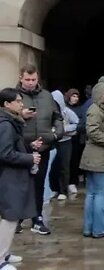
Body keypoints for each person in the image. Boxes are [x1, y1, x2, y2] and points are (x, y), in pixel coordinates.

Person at [16, 64, 64, 235]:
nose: (30, 83)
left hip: (43, 146)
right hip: (21, 148)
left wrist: (57, 134)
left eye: (33, 79)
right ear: (21, 78)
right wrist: (21, 115)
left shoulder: (47, 96)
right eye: (27, 79)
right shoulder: (14, 96)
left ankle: (37, 218)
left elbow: (57, 117)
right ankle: (18, 218)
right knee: (21, 184)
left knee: (38, 184)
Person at [0, 88, 42, 270]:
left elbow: (12, 145)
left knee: (12, 216)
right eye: (17, 101)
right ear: (7, 104)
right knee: (10, 217)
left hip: (13, 176)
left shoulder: (12, 121)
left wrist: (28, 146)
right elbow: (5, 153)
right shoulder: (6, 124)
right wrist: (29, 158)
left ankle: (5, 253)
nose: (21, 104)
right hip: (9, 177)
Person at [79, 82, 104, 238]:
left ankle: (89, 228)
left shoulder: (99, 109)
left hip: (93, 157)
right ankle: (99, 229)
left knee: (92, 194)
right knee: (99, 194)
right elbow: (92, 131)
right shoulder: (95, 110)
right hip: (99, 157)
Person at [50, 90, 79, 200]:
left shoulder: (67, 112)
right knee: (53, 167)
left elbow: (77, 123)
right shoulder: (49, 112)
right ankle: (54, 189)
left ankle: (63, 191)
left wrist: (64, 129)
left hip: (65, 142)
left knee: (64, 166)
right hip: (53, 141)